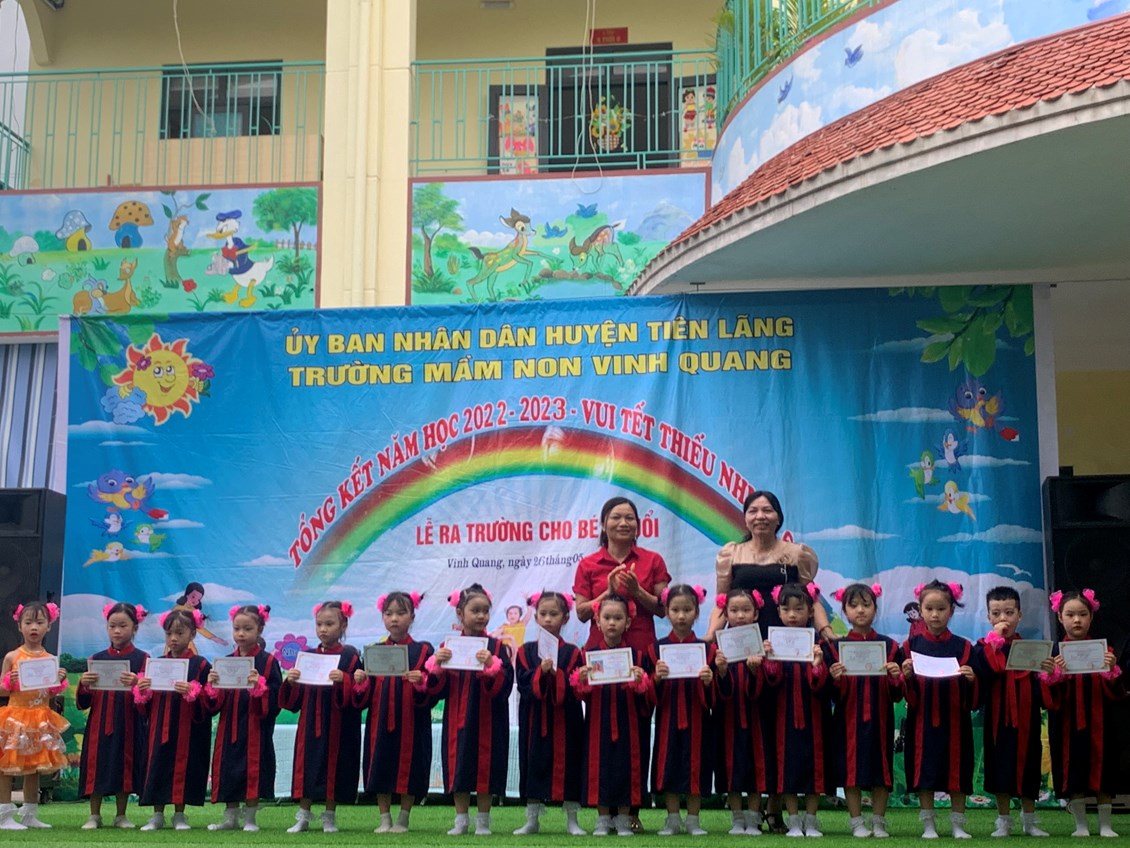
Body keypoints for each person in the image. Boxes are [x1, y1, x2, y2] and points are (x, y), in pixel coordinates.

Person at [573, 496, 669, 834]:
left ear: (638, 526)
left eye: (630, 518)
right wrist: (610, 592)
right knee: (600, 733)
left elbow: (664, 608)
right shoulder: (589, 564)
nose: (623, 523)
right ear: (603, 524)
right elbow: (581, 612)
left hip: (639, 657)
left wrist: (637, 591)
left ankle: (632, 810)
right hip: (600, 657)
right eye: (616, 517)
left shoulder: (652, 560)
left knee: (638, 731)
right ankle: (604, 811)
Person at [426, 584, 514, 836]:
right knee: (459, 766)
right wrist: (438, 665)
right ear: (460, 613)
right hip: (457, 717)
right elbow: (437, 690)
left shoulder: (496, 647)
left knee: (487, 766)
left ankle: (483, 821)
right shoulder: (448, 645)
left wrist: (492, 665)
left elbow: (505, 685)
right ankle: (461, 820)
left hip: (489, 718)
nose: (481, 616)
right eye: (475, 610)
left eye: (485, 611)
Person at [974, 586, 1055, 838]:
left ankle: (1030, 821)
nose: (1003, 619)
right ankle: (1003, 821)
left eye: (1009, 612)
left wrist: (1047, 673)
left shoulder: (1032, 648)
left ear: (1019, 615)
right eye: (996, 613)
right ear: (988, 616)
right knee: (1000, 766)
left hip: (1027, 717)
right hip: (998, 719)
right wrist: (994, 643)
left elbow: (1042, 689)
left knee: (1029, 764)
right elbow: (986, 675)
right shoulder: (982, 648)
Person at [571, 593, 655, 837]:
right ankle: (603, 819)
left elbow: (648, 696)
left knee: (627, 767)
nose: (612, 623)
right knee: (600, 767)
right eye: (607, 617)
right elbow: (580, 696)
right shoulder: (588, 655)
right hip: (599, 721)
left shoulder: (638, 657)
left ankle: (623, 820)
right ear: (597, 621)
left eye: (618, 618)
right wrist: (581, 680)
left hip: (630, 723)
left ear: (627, 622)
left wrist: (641, 682)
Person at [351, 591, 435, 834]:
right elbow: (363, 696)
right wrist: (360, 680)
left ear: (412, 616)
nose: (394, 619)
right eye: (388, 614)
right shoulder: (374, 651)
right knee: (380, 764)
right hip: (379, 720)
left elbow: (433, 688)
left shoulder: (423, 650)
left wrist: (422, 681)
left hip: (412, 721)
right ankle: (384, 818)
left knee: (411, 767)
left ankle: (403, 819)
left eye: (401, 613)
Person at [900, 580, 978, 839]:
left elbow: (975, 695)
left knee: (957, 771)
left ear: (951, 611)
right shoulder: (910, 647)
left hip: (955, 720)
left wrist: (971, 680)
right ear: (920, 610)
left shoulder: (964, 647)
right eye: (929, 609)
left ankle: (958, 825)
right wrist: (906, 677)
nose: (935, 615)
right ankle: (929, 825)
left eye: (941, 609)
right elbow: (904, 692)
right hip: (922, 720)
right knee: (925, 771)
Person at [824, 583, 903, 838]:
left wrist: (895, 677)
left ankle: (879, 822)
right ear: (845, 611)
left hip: (880, 718)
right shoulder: (835, 648)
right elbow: (830, 694)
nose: (860, 610)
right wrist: (834, 678)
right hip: (848, 718)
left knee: (881, 770)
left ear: (875, 609)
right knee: (851, 770)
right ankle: (857, 822)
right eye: (854, 605)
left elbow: (898, 693)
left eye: (866, 605)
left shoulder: (890, 646)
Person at [1045, 589, 1124, 837]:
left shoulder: (1104, 651)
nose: (1077, 620)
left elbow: (1118, 694)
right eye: (1070, 615)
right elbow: (1048, 699)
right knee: (1072, 771)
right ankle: (1080, 826)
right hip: (1067, 724)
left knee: (1104, 769)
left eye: (1083, 614)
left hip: (1100, 722)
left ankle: (1105, 825)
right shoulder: (1054, 654)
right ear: (1060, 617)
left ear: (1091, 616)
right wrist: (1053, 676)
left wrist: (1111, 671)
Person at [279, 600, 362, 833]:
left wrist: (345, 679)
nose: (323, 629)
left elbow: (358, 691)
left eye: (329, 624)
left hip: (338, 723)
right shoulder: (307, 656)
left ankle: (329, 817)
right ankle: (303, 817)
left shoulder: (350, 656)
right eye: (319, 624)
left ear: (343, 625)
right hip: (310, 721)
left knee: (333, 768)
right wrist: (291, 681)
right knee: (307, 766)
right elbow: (293, 701)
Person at [762, 583, 831, 838]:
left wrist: (817, 664)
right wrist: (770, 660)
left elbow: (824, 685)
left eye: (799, 609)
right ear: (778, 611)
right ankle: (793, 821)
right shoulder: (773, 643)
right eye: (786, 609)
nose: (792, 615)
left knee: (815, 766)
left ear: (810, 611)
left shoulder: (819, 645)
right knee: (786, 767)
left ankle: (810, 820)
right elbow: (770, 682)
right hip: (783, 716)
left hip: (814, 716)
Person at [513, 591, 585, 836]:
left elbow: (576, 687)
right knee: (533, 762)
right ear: (535, 617)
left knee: (570, 765)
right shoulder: (525, 651)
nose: (547, 619)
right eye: (542, 614)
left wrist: (557, 674)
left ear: (565, 618)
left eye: (554, 614)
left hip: (567, 720)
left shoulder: (573, 653)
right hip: (535, 718)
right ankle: (532, 820)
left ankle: (572, 820)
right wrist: (540, 673)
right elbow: (524, 684)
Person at [204, 604, 281, 832]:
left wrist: (260, 687)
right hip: (229, 725)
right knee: (228, 768)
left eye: (247, 629)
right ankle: (230, 818)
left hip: (255, 726)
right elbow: (214, 704)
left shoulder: (268, 662)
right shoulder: (225, 662)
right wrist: (213, 685)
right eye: (237, 628)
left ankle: (250, 819)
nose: (241, 634)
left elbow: (276, 698)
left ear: (259, 630)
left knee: (252, 769)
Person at [135, 609, 212, 831]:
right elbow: (144, 704)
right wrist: (143, 690)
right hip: (159, 726)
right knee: (157, 766)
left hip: (187, 729)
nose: (174, 638)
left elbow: (210, 698)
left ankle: (180, 815)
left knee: (182, 769)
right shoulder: (155, 664)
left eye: (180, 633)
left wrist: (193, 692)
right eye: (169, 634)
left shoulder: (200, 665)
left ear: (193, 634)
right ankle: (157, 815)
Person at [648, 584, 716, 837]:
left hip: (698, 717)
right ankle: (673, 819)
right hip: (668, 718)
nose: (681, 615)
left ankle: (694, 820)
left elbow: (715, 696)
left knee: (696, 766)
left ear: (697, 612)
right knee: (669, 765)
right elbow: (648, 692)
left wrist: (709, 681)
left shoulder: (707, 649)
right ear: (666, 611)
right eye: (675, 610)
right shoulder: (655, 649)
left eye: (687, 610)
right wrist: (656, 678)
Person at [716, 491, 831, 639]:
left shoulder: (797, 554)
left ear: (778, 518)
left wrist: (826, 631)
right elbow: (721, 603)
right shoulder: (731, 554)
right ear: (745, 519)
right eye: (753, 511)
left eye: (767, 510)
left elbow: (811, 600)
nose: (760, 516)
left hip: (789, 640)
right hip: (743, 641)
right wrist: (710, 635)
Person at [76, 601, 149, 829]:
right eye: (112, 626)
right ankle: (94, 815)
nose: (117, 631)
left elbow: (148, 697)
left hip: (128, 721)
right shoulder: (96, 659)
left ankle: (121, 815)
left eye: (123, 626)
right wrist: (84, 684)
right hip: (99, 720)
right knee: (96, 763)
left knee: (123, 763)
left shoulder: (142, 659)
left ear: (135, 628)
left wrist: (138, 683)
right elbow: (84, 701)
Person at [0, 602, 69, 829]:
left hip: (40, 718)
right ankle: (4, 814)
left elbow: (49, 693)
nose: (34, 627)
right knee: (6, 766)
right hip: (15, 717)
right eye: (28, 622)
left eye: (40, 622)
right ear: (19, 626)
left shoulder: (50, 659)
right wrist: (10, 683)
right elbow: (1, 690)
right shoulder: (13, 657)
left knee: (34, 767)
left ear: (49, 626)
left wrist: (59, 680)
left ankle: (30, 813)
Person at [710, 588, 768, 835]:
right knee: (730, 766)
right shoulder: (717, 648)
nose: (740, 615)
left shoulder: (763, 644)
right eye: (734, 610)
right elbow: (713, 691)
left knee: (756, 766)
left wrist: (756, 672)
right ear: (725, 613)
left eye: (746, 610)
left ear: (756, 613)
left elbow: (769, 686)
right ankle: (736, 818)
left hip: (756, 717)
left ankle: (753, 819)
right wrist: (721, 672)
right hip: (727, 717)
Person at [172, 582, 227, 650]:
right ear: (187, 595)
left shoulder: (195, 612)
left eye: (198, 599)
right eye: (193, 597)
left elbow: (200, 628)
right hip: (174, 640)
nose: (195, 600)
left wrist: (214, 638)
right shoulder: (177, 609)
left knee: (192, 653)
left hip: (187, 640)